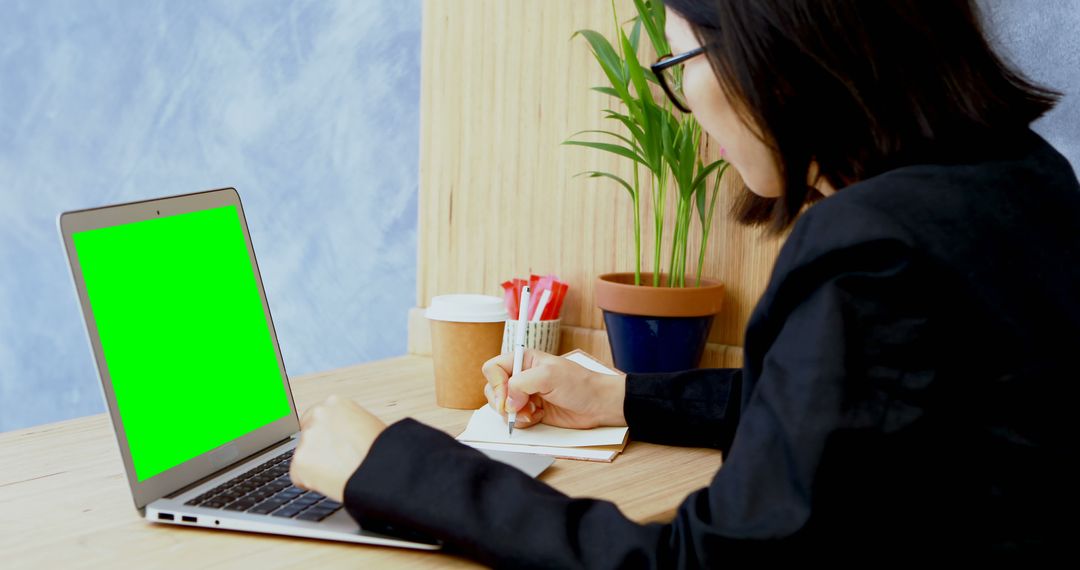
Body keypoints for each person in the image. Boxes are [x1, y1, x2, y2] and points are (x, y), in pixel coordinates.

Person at [289, 0, 1076, 563]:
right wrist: (622, 397)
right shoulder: (1023, 178)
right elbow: (859, 418)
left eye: (677, 63)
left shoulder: (873, 248)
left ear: (772, 40)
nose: (688, 109)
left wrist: (391, 467)